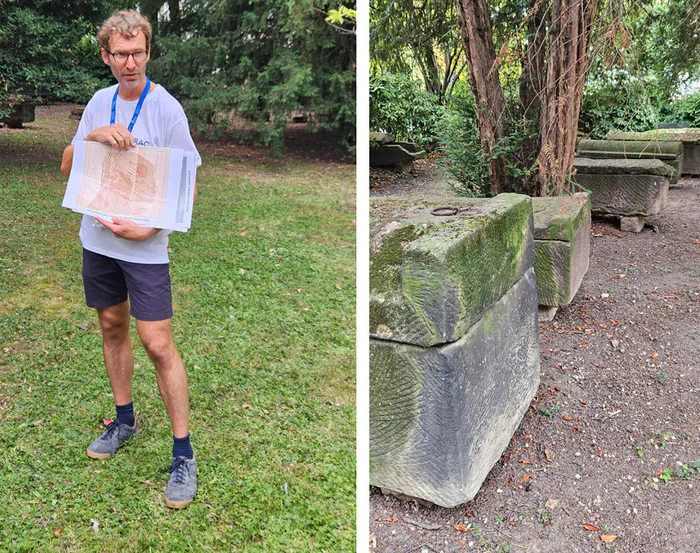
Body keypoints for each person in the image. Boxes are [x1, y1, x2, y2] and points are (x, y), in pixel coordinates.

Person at [60, 10, 201, 509]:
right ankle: (125, 420)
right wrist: (93, 136)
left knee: (157, 342)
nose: (130, 62)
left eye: (138, 51)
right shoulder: (99, 103)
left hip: (144, 246)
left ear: (148, 50)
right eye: (120, 53)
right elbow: (67, 166)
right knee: (111, 325)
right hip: (97, 241)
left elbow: (186, 184)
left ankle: (183, 455)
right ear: (106, 55)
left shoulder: (166, 109)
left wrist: (151, 228)